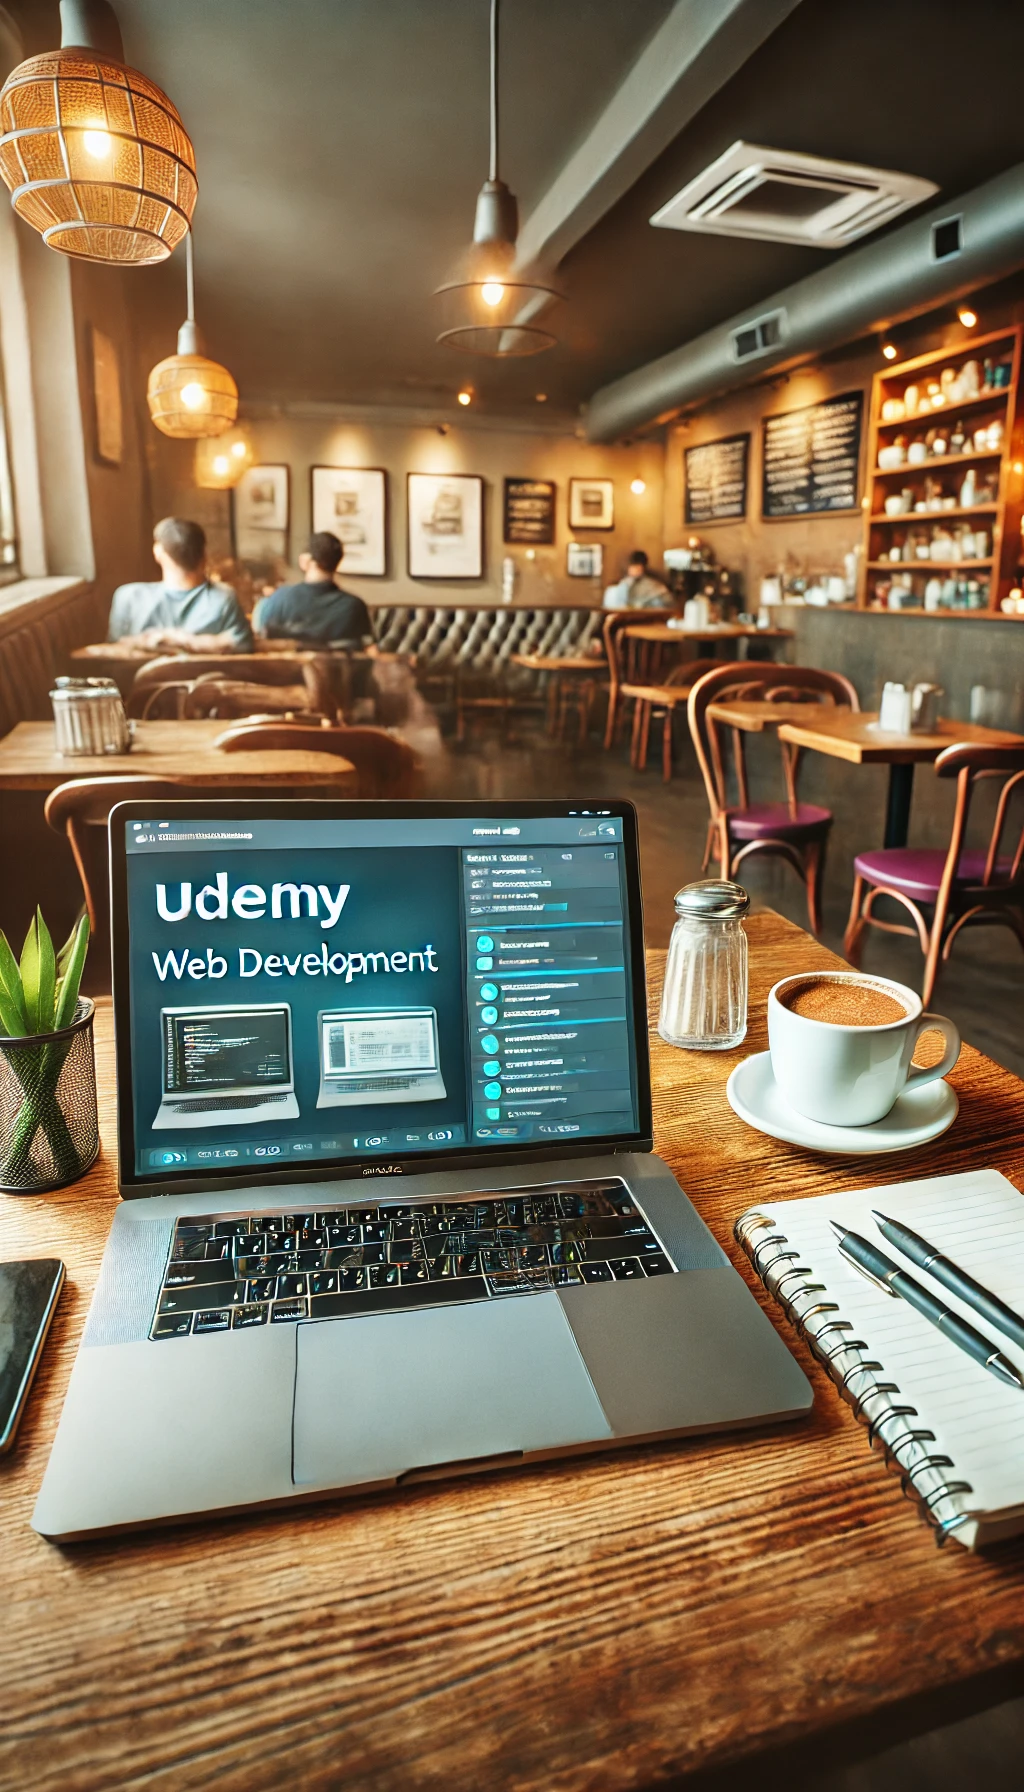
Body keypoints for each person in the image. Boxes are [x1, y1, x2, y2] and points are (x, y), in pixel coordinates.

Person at [108, 518, 253, 651]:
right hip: (208, 679)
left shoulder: (129, 597)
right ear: (204, 554)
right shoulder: (224, 598)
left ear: (158, 552)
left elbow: (111, 653)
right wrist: (190, 642)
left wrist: (159, 640)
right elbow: (243, 646)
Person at [252, 533, 373, 645]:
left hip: (289, 667)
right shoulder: (355, 607)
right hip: (338, 668)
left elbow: (260, 633)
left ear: (305, 561)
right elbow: (366, 649)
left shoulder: (280, 598)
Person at [602, 550, 672, 611]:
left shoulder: (654, 585)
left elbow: (665, 604)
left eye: (637, 567)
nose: (635, 570)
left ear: (643, 567)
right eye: (633, 567)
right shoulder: (619, 586)